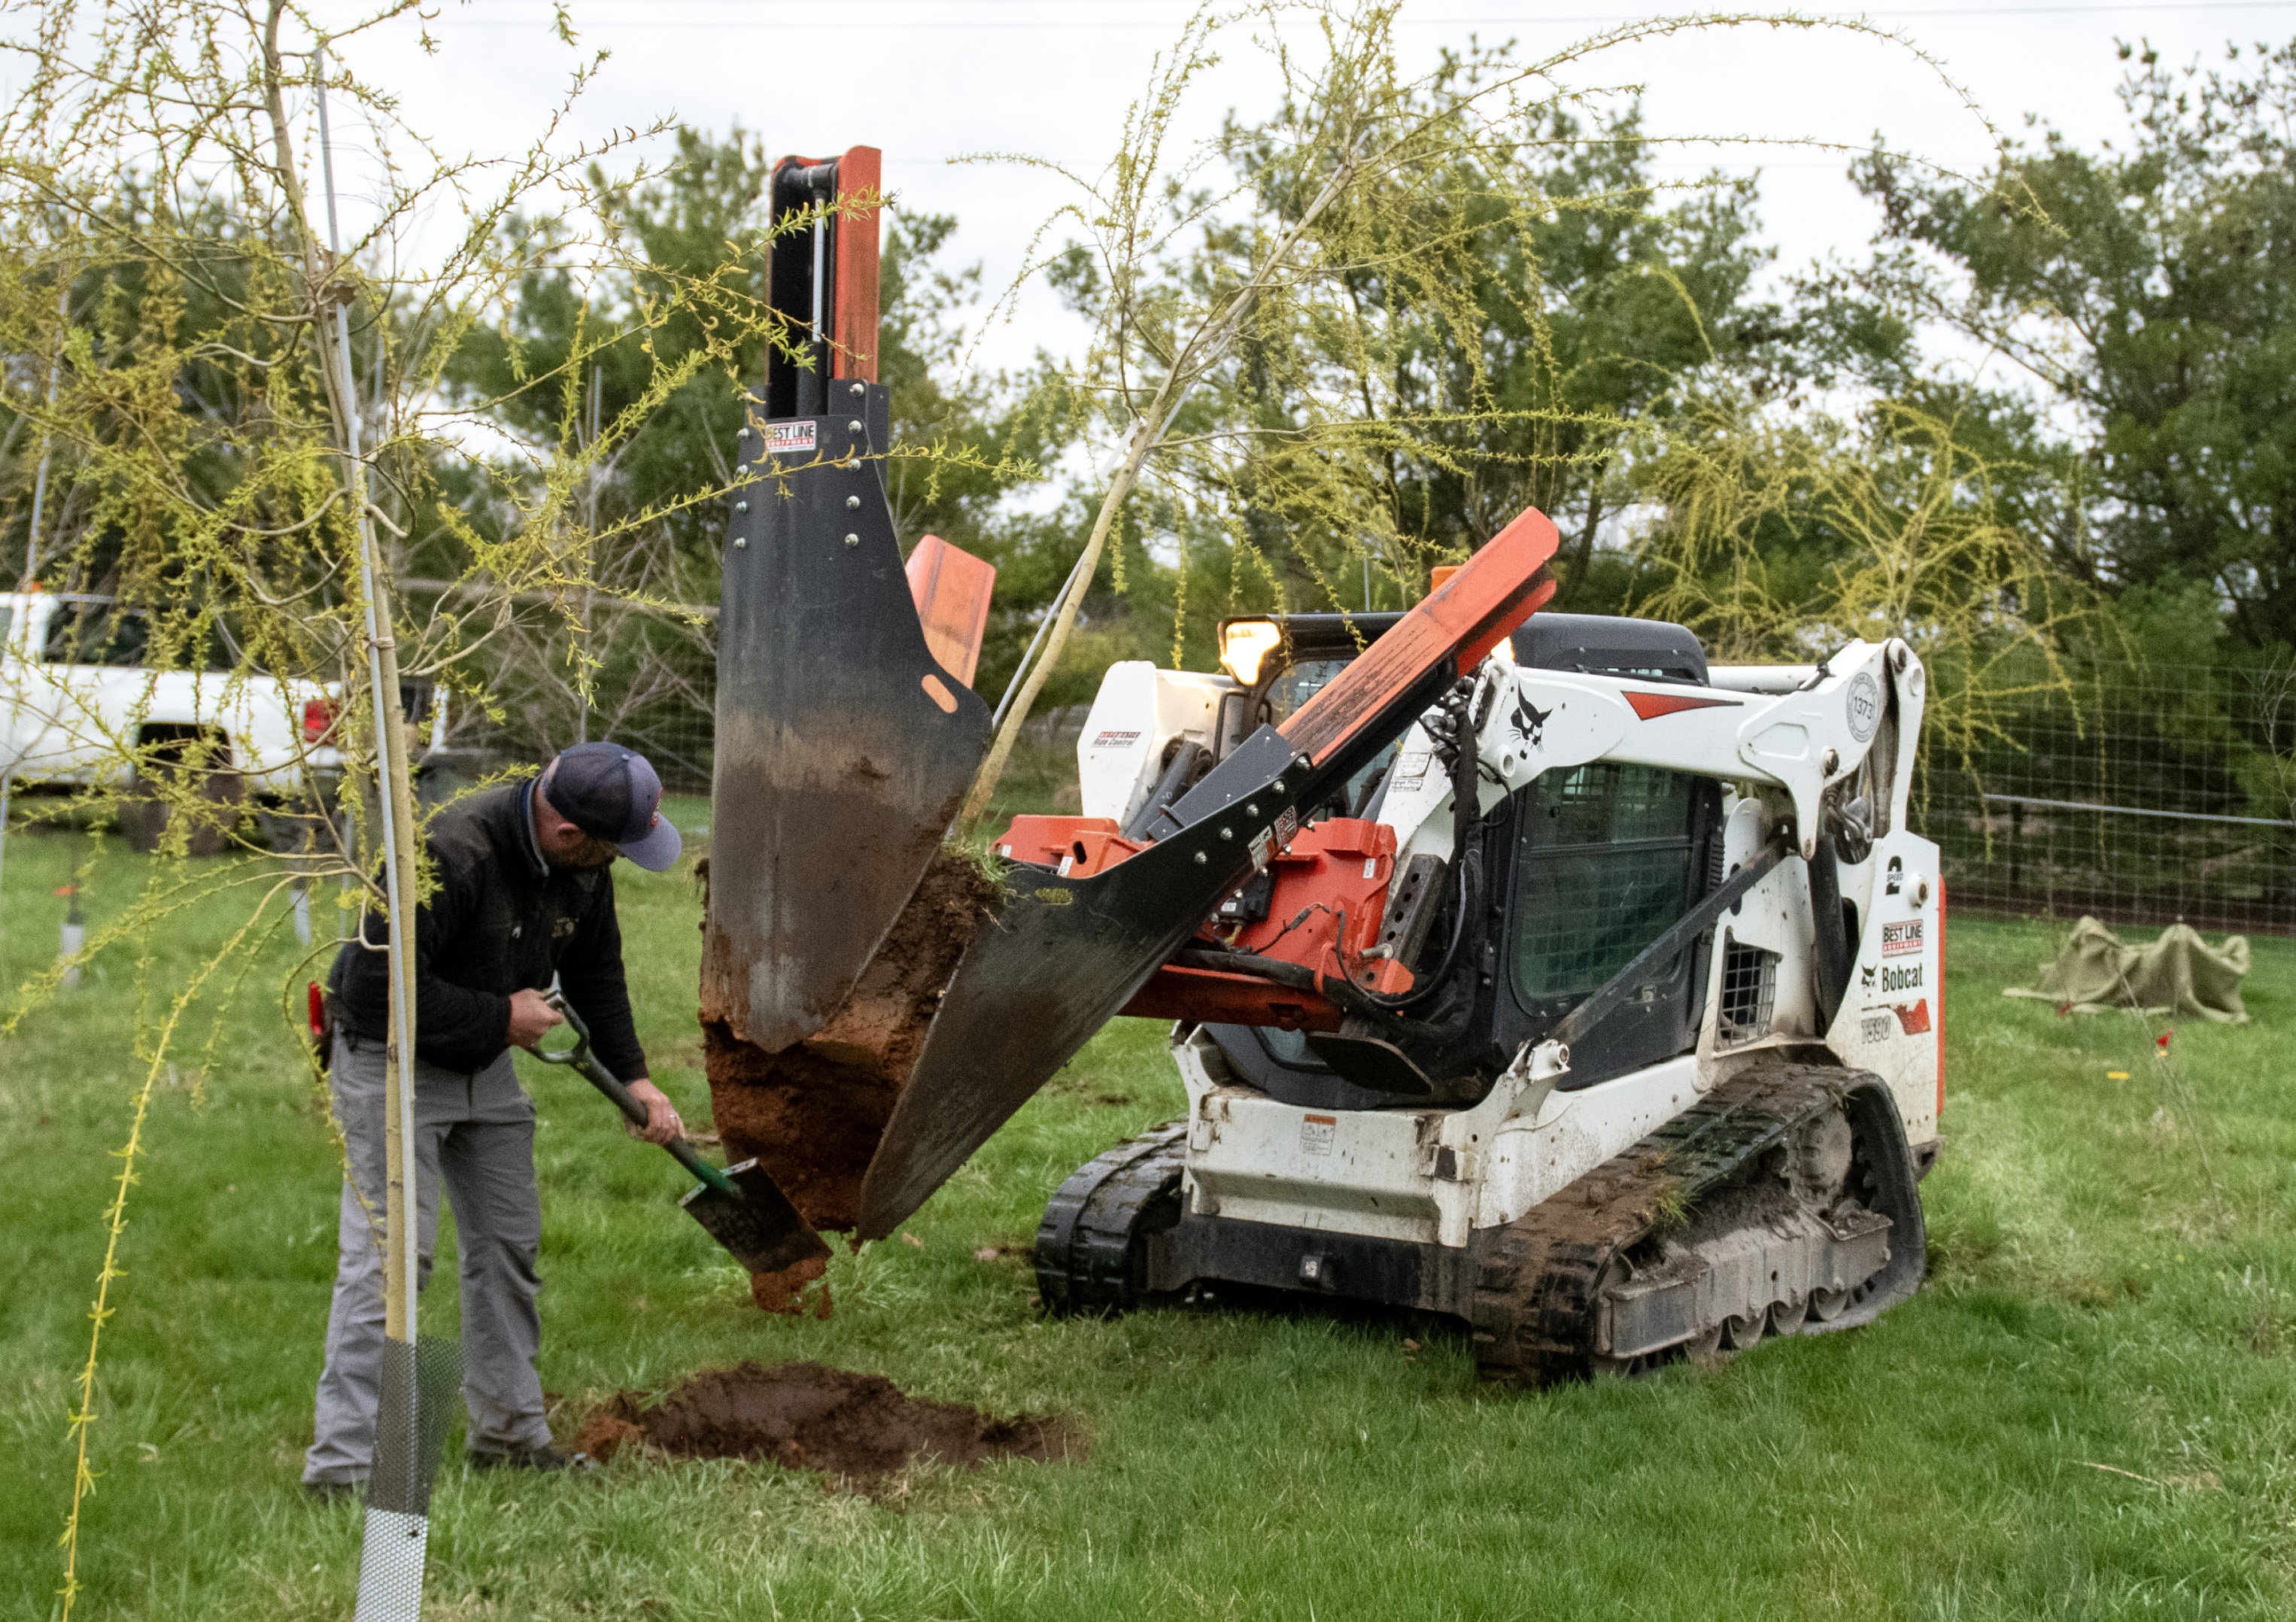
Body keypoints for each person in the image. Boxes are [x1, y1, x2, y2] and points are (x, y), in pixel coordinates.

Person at [302, 742, 686, 1497]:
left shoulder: (581, 868)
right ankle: (345, 1469)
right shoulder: (448, 852)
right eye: (615, 847)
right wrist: (500, 1013)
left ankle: (509, 1433)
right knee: (391, 1262)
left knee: (509, 1243)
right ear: (568, 831)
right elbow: (380, 988)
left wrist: (635, 1076)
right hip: (391, 1059)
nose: (617, 862)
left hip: (486, 1064)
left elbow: (596, 969)